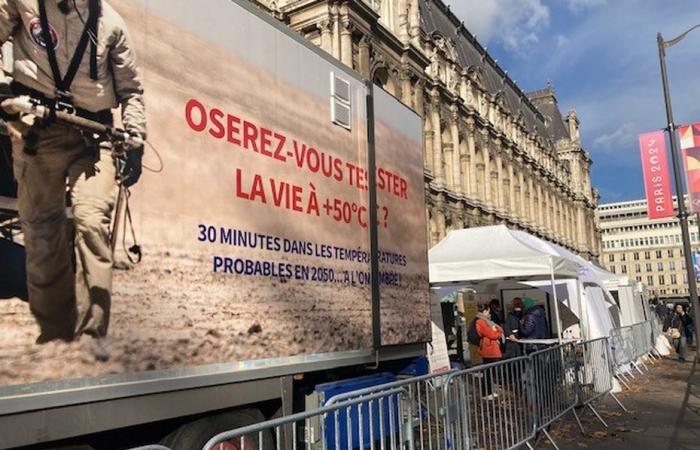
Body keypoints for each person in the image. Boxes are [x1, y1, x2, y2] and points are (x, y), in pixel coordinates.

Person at [0, 0, 146, 344]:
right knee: (41, 229)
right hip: (37, 131)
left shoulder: (111, 24)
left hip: (94, 137)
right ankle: (55, 333)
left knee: (91, 220)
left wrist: (136, 141)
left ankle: (93, 332)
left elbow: (131, 91)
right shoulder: (20, 3)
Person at [475, 303, 503, 400]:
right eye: (488, 311)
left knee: (490, 372)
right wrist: (498, 332)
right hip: (488, 349)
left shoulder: (486, 321)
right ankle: (485, 393)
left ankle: (489, 392)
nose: (489, 313)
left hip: (490, 348)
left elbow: (497, 329)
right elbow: (492, 334)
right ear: (486, 310)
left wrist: (497, 330)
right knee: (487, 373)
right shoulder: (481, 322)